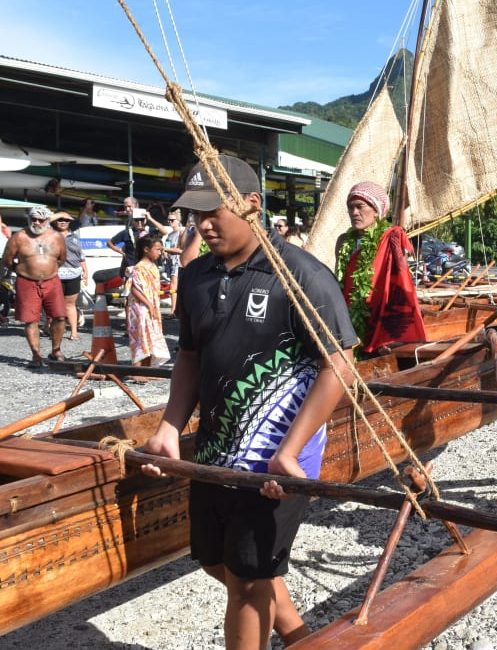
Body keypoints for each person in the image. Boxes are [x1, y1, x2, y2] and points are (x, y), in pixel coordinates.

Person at [140, 154, 357, 649]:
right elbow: (190, 357)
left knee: (245, 581)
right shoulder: (195, 278)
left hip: (279, 457)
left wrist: (289, 450)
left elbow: (338, 365)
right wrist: (171, 427)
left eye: (214, 211)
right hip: (216, 449)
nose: (204, 224)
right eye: (196, 214)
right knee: (218, 561)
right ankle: (302, 636)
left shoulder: (300, 275)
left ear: (252, 204)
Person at [334, 181, 425, 354]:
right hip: (346, 318)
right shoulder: (343, 241)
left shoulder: (391, 238)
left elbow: (398, 282)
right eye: (350, 207)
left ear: (376, 210)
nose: (354, 212)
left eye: (360, 206)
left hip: (376, 317)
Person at [1, 206, 68, 366]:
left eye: (41, 219)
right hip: (27, 282)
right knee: (31, 320)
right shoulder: (19, 237)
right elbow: (7, 260)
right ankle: (36, 355)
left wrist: (46, 270)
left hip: (52, 281)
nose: (37, 222)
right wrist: (23, 270)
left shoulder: (56, 237)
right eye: (34, 219)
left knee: (59, 316)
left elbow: (61, 259)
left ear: (47, 221)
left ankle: (56, 350)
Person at [126, 235, 170, 368]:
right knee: (142, 336)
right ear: (146, 249)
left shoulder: (153, 266)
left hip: (151, 305)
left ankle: (148, 368)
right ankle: (138, 369)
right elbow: (134, 289)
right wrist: (149, 304)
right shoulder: (139, 267)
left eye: (161, 250)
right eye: (157, 249)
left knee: (151, 337)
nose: (160, 252)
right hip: (141, 306)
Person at [108, 197, 168, 276]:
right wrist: (120, 251)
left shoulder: (149, 230)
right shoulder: (127, 232)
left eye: (142, 220)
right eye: (136, 220)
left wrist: (150, 218)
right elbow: (110, 242)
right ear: (133, 220)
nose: (139, 223)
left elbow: (164, 231)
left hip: (148, 269)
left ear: (145, 220)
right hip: (132, 268)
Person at [51, 211, 87, 340]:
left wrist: (85, 272)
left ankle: (74, 332)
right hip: (56, 274)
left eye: (66, 220)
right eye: (60, 219)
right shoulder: (50, 235)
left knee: (70, 304)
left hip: (73, 273)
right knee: (55, 304)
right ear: (55, 221)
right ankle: (54, 331)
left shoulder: (75, 236)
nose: (63, 222)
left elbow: (81, 256)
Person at [162, 210, 185, 316]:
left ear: (178, 220)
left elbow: (182, 250)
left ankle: (174, 310)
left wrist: (166, 250)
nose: (170, 222)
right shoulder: (170, 234)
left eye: (172, 220)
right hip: (172, 261)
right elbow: (168, 248)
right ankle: (177, 309)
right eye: (168, 220)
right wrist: (166, 253)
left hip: (179, 262)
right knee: (176, 286)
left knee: (173, 286)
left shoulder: (182, 232)